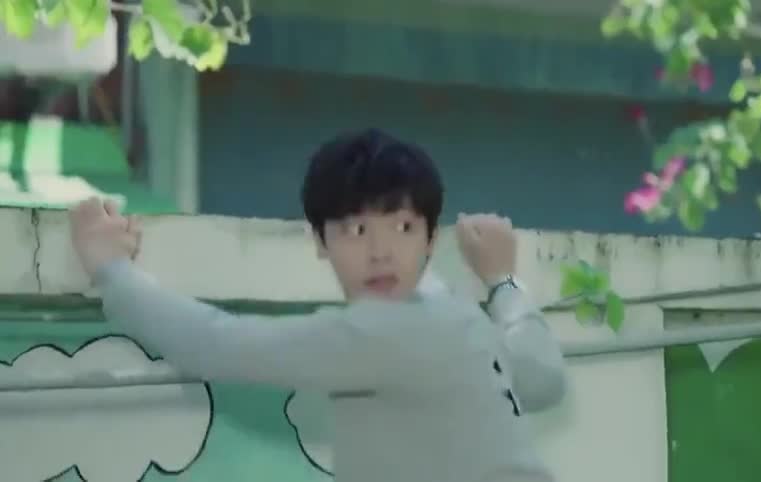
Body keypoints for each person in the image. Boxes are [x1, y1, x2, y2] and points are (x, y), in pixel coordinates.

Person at [69, 128, 567, 482]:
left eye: (402, 227)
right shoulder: (459, 320)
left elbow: (220, 344)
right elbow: (542, 375)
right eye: (355, 229)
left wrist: (111, 270)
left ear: (432, 238)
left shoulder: (389, 332)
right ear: (320, 240)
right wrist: (503, 281)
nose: (380, 251)